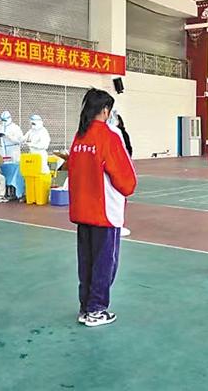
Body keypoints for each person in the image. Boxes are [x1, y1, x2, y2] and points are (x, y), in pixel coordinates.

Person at [68, 89, 136, 327]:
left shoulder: (79, 137)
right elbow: (126, 180)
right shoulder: (108, 137)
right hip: (104, 211)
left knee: (86, 262)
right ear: (105, 111)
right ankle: (96, 309)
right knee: (105, 263)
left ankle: (86, 306)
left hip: (82, 210)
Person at [109, 110, 133, 237]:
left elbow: (128, 150)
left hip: (119, 170)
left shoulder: (120, 134)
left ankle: (118, 224)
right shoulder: (109, 133)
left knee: (119, 198)